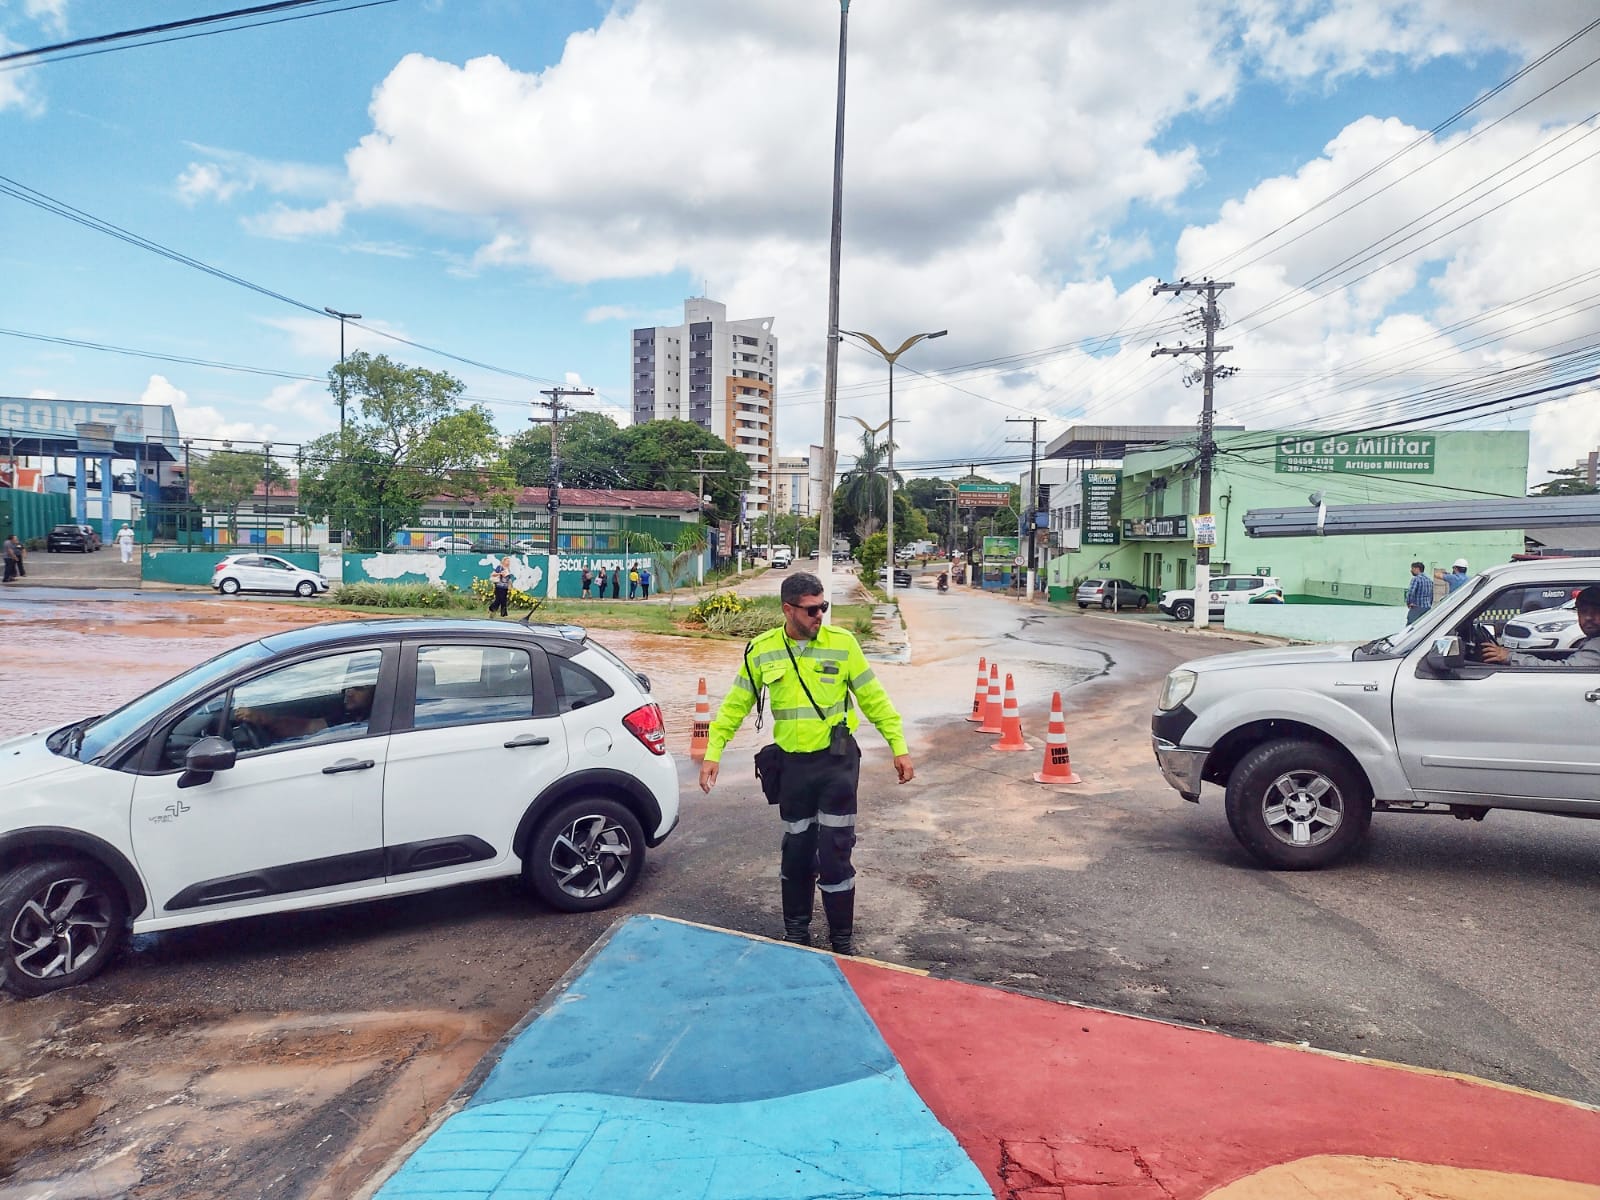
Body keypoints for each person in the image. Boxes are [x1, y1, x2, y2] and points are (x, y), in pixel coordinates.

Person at [699, 572, 914, 955]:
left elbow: (874, 699)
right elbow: (735, 705)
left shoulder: (843, 645)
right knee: (796, 850)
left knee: (835, 851)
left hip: (837, 766)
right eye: (813, 610)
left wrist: (898, 746)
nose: (820, 616)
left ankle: (841, 941)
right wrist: (714, 752)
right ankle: (797, 935)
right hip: (793, 769)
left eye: (824, 607)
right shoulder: (761, 650)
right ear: (788, 609)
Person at [1481, 585, 1600, 667]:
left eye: (1596, 611)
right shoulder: (1592, 640)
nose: (1588, 617)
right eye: (1583, 611)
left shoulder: (1597, 644)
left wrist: (1510, 658)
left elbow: (1567, 669)